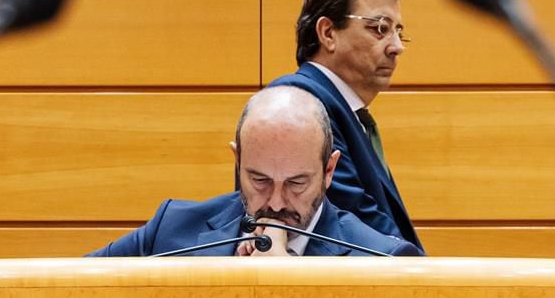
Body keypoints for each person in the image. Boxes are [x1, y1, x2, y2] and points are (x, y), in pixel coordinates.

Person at [88, 86, 420, 258]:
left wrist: (288, 285)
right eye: (259, 180)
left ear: (329, 170)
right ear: (237, 162)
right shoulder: (171, 228)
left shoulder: (381, 259)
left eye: (296, 183)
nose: (276, 203)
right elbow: (66, 291)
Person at [269, 0, 421, 250]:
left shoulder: (341, 109)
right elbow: (351, 221)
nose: (397, 46)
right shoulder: (299, 105)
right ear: (328, 33)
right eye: (380, 29)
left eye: (398, 31)